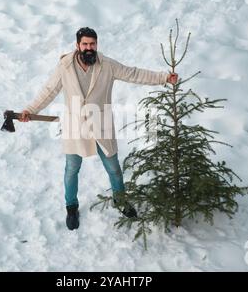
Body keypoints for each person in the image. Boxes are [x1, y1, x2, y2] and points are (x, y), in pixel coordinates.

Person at [20, 27, 178, 230]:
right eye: (85, 44)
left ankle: (120, 200)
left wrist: (164, 77)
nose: (89, 48)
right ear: (77, 45)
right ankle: (71, 207)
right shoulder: (65, 66)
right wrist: (30, 110)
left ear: (96, 45)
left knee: (114, 168)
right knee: (71, 170)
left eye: (92, 44)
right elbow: (49, 90)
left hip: (101, 125)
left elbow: (134, 73)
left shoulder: (107, 65)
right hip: (75, 126)